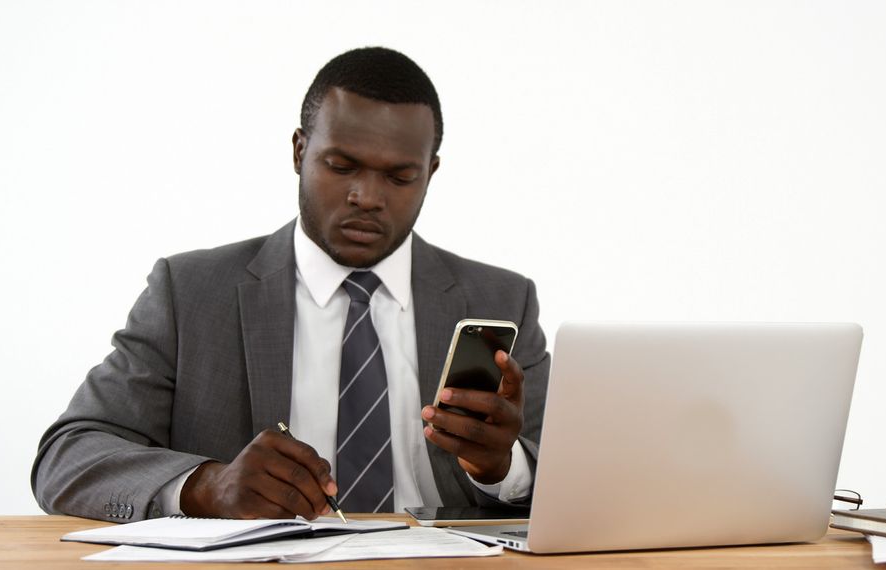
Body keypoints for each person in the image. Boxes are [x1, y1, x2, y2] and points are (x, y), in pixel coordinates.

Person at [31, 47, 549, 521]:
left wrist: (502, 468)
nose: (367, 196)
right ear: (299, 151)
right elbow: (68, 455)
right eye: (342, 166)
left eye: (399, 177)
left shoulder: (503, 300)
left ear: (430, 173)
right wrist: (206, 486)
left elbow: (569, 478)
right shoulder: (189, 293)